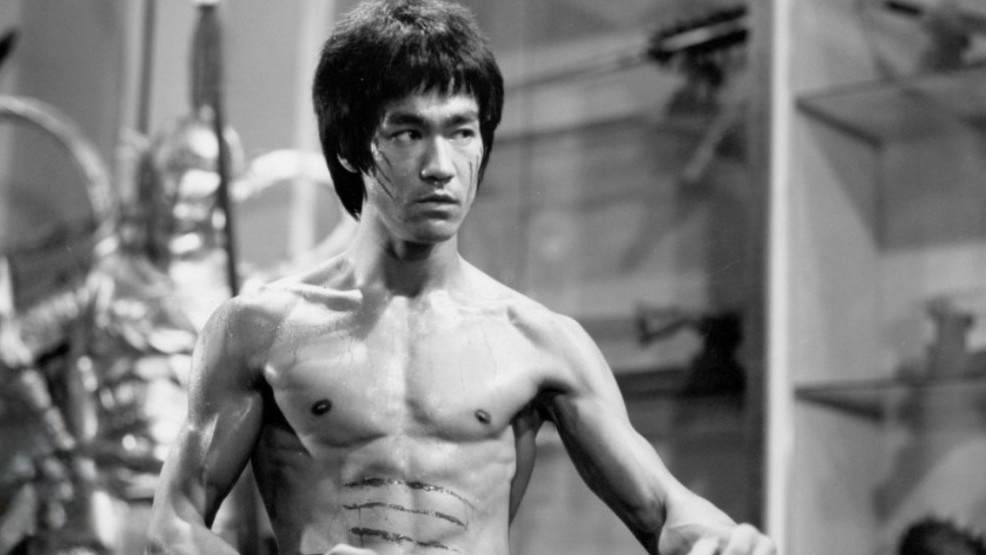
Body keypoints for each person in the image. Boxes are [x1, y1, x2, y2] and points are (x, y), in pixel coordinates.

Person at [146, 1, 777, 554]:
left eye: (462, 131)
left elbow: (666, 512)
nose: (441, 165)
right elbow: (175, 524)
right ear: (348, 146)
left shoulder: (539, 341)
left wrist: (722, 541)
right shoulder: (259, 330)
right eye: (408, 132)